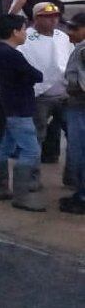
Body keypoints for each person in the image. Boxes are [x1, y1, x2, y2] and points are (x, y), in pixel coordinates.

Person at [0, 14, 46, 212]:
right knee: (30, 150)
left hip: (5, 106)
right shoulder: (13, 54)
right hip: (19, 108)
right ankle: (22, 196)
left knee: (4, 147)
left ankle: (0, 188)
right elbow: (35, 75)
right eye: (22, 29)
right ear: (14, 32)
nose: (25, 33)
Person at [20, 3, 73, 172]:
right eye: (47, 17)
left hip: (65, 95)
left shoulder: (62, 36)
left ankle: (72, 175)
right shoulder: (26, 38)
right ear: (36, 18)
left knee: (75, 136)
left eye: (55, 16)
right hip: (40, 97)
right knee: (36, 138)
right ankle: (32, 177)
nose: (53, 20)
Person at [60, 12, 85, 214]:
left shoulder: (83, 50)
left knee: (80, 154)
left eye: (75, 28)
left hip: (80, 107)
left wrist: (71, 88)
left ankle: (83, 197)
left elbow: (79, 83)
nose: (70, 32)